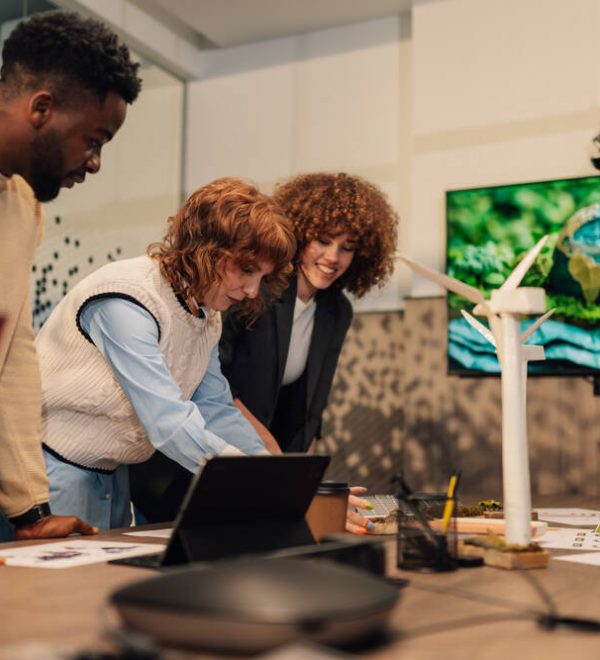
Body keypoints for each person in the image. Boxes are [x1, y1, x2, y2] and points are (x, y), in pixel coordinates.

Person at [131, 172, 399, 534]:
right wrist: (278, 469)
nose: (333, 256)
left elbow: (309, 409)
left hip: (258, 464)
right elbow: (215, 388)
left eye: (347, 247)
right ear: (300, 236)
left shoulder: (338, 311)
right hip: (194, 460)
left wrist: (305, 482)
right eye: (322, 240)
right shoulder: (251, 289)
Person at [35, 177, 296, 530]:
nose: (252, 291)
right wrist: (257, 483)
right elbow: (167, 421)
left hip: (112, 471)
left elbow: (215, 409)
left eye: (262, 277)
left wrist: (277, 478)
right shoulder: (126, 298)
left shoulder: (206, 316)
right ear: (208, 249)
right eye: (246, 270)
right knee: (62, 584)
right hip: (51, 467)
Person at [0, 11, 141, 541]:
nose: (96, 162)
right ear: (42, 108)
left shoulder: (22, 208)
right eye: (94, 139)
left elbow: (11, 361)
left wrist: (31, 512)